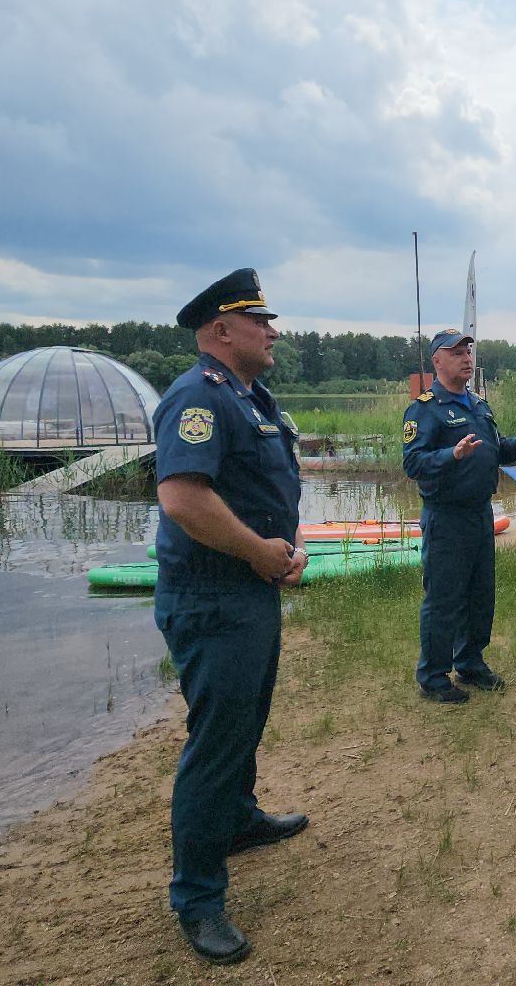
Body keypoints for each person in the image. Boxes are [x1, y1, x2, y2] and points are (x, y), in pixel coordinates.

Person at [151, 268, 310, 963]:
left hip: (248, 589)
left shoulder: (251, 395)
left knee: (245, 722)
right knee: (215, 745)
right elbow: (183, 498)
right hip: (213, 595)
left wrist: (285, 547)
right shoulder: (197, 396)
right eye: (260, 321)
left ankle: (239, 822)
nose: (273, 332)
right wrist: (257, 552)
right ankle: (197, 898)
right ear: (221, 329)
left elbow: (264, 486)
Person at [402, 329, 516, 703]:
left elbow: (493, 451)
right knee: (444, 599)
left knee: (479, 596)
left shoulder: (479, 405)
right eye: (456, 352)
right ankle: (433, 677)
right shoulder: (425, 408)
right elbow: (413, 462)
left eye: (468, 350)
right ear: (437, 361)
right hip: (446, 517)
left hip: (480, 514)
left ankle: (470, 663)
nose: (466, 357)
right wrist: (450, 455)